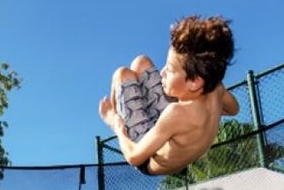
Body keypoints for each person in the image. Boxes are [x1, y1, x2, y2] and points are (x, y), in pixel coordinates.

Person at [98, 15, 239, 176]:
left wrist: (116, 125)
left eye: (170, 70)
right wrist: (207, 114)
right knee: (141, 62)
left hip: (148, 157)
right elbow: (234, 109)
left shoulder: (177, 113)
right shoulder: (216, 88)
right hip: (171, 130)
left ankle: (118, 118)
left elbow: (134, 158)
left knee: (121, 74)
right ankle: (159, 122)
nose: (162, 72)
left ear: (194, 82)